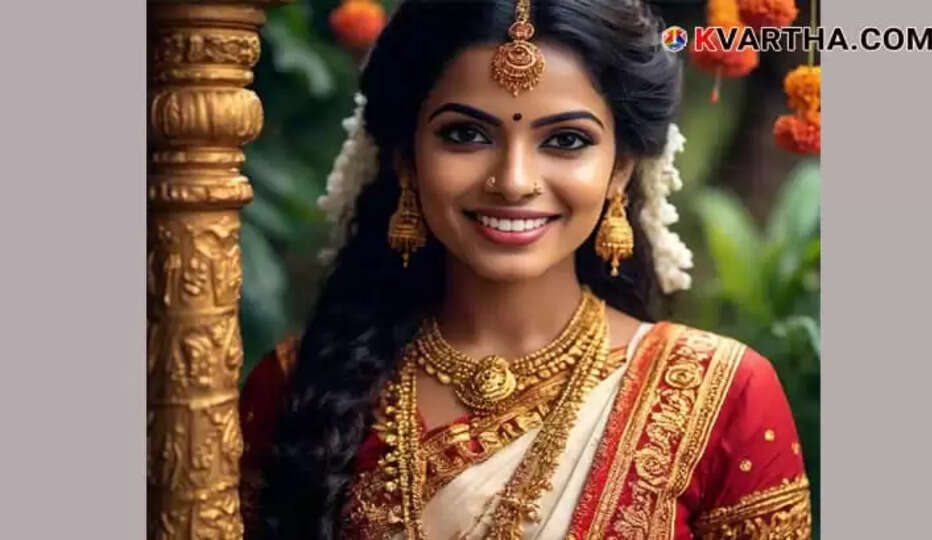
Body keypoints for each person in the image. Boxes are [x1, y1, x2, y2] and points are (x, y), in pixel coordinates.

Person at [239, 1, 813, 538]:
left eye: (565, 140)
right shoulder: (297, 388)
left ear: (620, 170)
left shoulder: (722, 395)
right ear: (407, 160)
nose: (513, 181)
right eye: (465, 134)